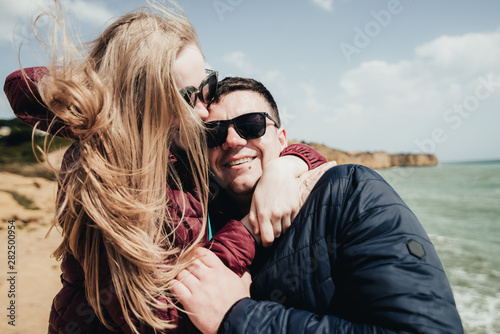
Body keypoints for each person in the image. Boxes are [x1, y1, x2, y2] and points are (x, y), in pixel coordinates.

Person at [4, 4, 326, 333]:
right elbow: (151, 315)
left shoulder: (177, 147)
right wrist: (248, 231)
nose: (204, 112)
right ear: (143, 99)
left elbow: (282, 152)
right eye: (189, 97)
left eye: (208, 86)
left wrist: (285, 168)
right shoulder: (100, 174)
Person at [172, 77, 464, 333]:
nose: (232, 140)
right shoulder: (193, 220)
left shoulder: (350, 193)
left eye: (251, 124)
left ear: (282, 138)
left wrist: (237, 316)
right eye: (214, 133)